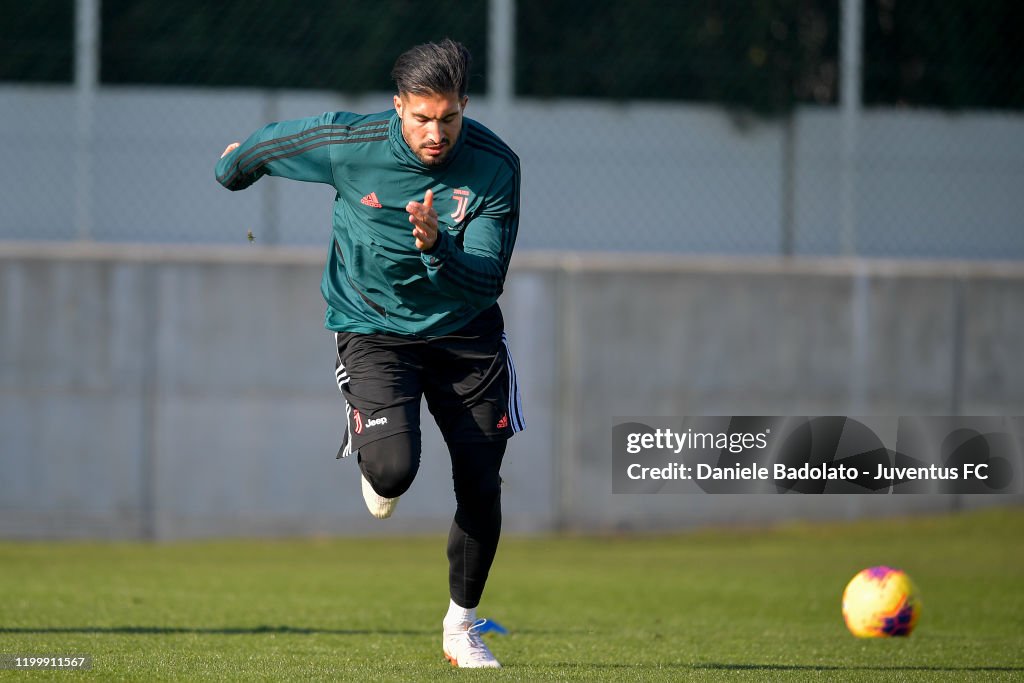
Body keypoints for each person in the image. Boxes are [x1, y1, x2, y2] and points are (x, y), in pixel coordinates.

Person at [214, 38, 522, 668]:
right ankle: (371, 435)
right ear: (397, 108)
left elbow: (488, 277)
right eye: (421, 118)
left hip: (466, 335)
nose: (436, 134)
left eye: (449, 118)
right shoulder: (350, 143)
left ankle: (462, 627)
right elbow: (271, 144)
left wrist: (438, 246)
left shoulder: (495, 165)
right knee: (391, 473)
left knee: (481, 484)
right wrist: (231, 170)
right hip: (373, 327)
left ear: (464, 105)